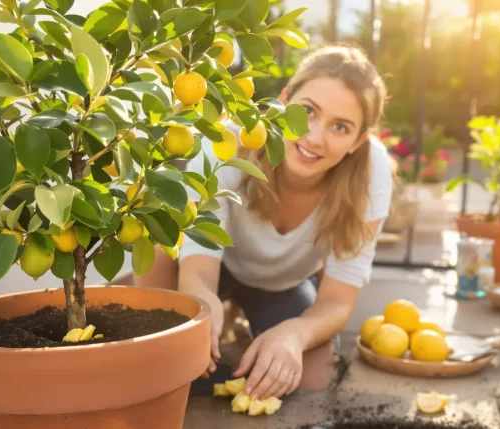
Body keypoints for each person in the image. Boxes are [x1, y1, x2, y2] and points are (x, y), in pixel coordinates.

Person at [137, 45, 393, 401]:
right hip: (212, 268)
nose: (314, 137)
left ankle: (256, 328)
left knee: (310, 380)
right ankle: (158, 316)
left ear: (358, 141)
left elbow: (337, 301)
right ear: (284, 99)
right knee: (164, 352)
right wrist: (203, 311)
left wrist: (293, 334)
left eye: (340, 127)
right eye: (306, 111)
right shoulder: (226, 144)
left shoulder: (371, 173)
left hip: (281, 284)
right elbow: (197, 270)